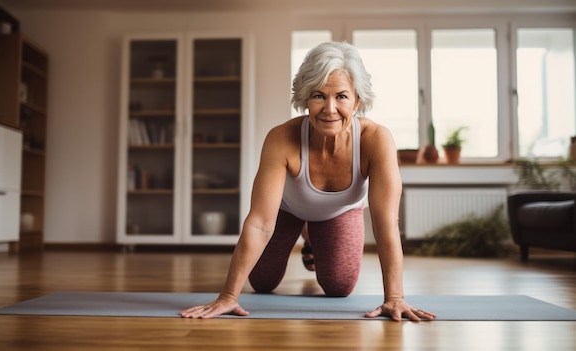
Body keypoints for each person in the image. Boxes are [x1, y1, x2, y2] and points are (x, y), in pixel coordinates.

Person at [180, 41, 436, 322]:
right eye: (318, 95)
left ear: (357, 101)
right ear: (305, 98)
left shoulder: (377, 140)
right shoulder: (281, 138)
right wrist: (228, 296)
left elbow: (386, 223)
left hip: (339, 211)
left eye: (341, 96)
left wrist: (394, 298)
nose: (329, 109)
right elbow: (260, 223)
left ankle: (314, 236)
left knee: (339, 286)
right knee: (263, 282)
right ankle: (305, 229)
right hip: (288, 210)